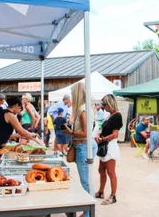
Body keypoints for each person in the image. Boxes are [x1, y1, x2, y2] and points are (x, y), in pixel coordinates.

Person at [60, 83, 97, 217]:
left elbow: (85, 133)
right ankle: (87, 212)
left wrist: (71, 132)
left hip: (83, 145)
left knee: (86, 182)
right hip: (84, 145)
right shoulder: (87, 107)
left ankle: (88, 213)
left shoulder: (82, 110)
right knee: (87, 180)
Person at [0, 96, 37, 176]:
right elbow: (22, 131)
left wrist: (22, 136)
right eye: (20, 108)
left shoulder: (3, 112)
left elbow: (6, 134)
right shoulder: (9, 115)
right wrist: (30, 134)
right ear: (17, 105)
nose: (19, 111)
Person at [95, 94, 122, 206]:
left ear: (110, 104)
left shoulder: (117, 116)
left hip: (110, 146)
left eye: (105, 104)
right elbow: (107, 130)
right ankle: (101, 191)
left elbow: (115, 135)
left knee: (111, 172)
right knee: (101, 170)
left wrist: (102, 139)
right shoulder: (110, 115)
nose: (103, 107)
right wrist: (100, 135)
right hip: (104, 145)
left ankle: (113, 196)